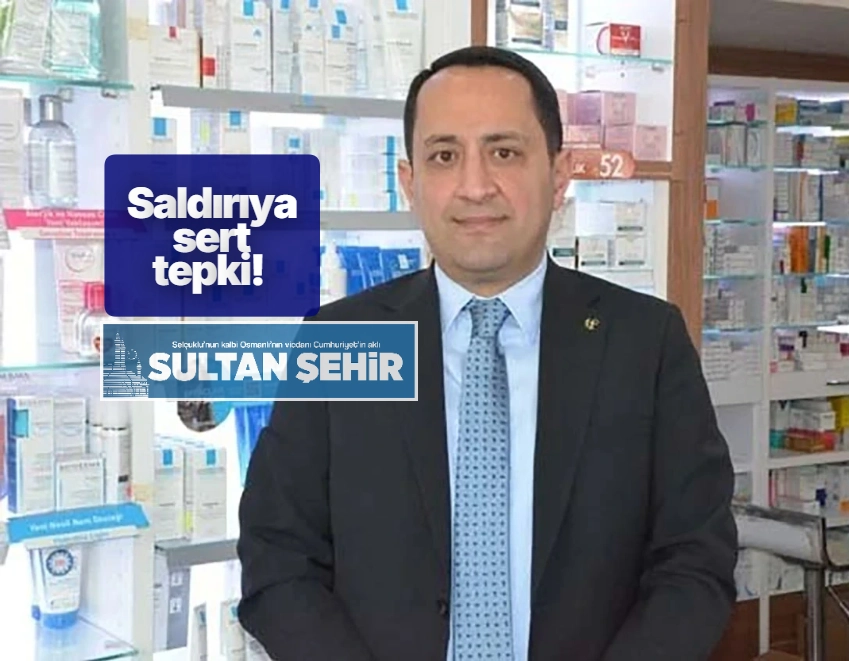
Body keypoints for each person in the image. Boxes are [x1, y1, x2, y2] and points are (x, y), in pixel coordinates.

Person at [237, 45, 738, 661]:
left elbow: (695, 560)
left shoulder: (644, 342)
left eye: (504, 152)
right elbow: (277, 556)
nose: (475, 187)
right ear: (410, 183)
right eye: (445, 156)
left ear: (559, 175)